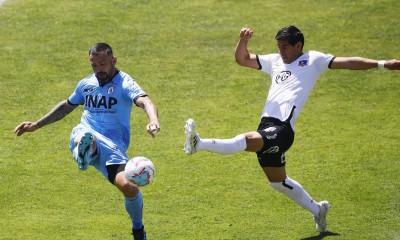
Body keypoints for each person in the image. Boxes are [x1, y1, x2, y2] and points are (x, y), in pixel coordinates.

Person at [184, 26, 400, 233]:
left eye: (285, 46)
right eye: (278, 46)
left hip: (283, 129)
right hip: (266, 126)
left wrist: (382, 64)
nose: (281, 51)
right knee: (278, 182)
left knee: (246, 140)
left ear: (298, 45)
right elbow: (243, 59)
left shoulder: (313, 60)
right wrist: (243, 41)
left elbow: (350, 63)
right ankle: (319, 210)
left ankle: (198, 144)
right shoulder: (275, 61)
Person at [14, 43, 159, 240]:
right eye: (94, 65)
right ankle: (83, 152)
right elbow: (67, 106)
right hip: (87, 131)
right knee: (85, 137)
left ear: (113, 61)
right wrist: (36, 125)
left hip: (113, 146)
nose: (99, 69)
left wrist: (153, 121)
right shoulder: (86, 84)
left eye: (103, 64)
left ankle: (138, 230)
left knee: (129, 188)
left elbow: (146, 101)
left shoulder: (124, 83)